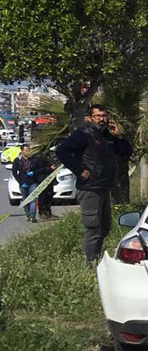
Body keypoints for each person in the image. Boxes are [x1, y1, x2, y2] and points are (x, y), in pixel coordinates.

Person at [55, 104, 133, 264]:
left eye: (104, 116)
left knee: (105, 227)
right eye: (98, 116)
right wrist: (79, 170)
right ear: (90, 118)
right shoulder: (83, 135)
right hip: (90, 188)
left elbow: (126, 152)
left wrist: (119, 137)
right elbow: (62, 151)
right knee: (93, 227)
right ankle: (91, 263)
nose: (102, 119)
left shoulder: (108, 136)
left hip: (105, 187)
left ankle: (95, 257)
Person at [14, 144, 41, 222]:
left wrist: (34, 172)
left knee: (33, 199)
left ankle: (33, 216)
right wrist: (20, 182)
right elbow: (15, 172)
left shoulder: (34, 159)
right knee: (25, 200)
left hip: (33, 182)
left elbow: (39, 169)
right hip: (23, 183)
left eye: (29, 150)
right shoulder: (17, 160)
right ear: (22, 151)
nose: (28, 152)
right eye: (26, 150)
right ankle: (28, 215)